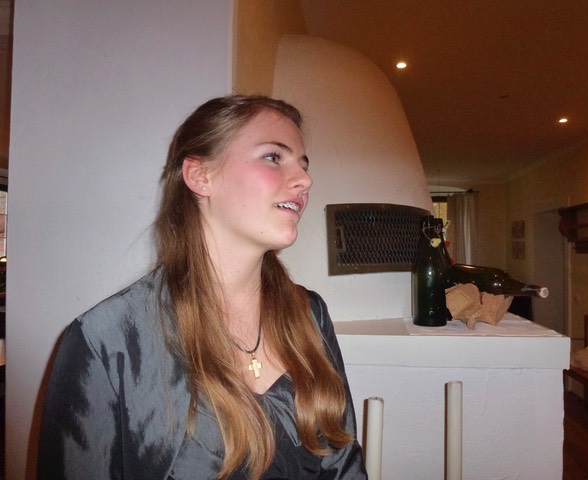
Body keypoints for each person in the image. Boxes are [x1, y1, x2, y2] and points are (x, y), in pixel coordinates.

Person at [37, 95, 368, 480]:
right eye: (274, 157)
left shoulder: (309, 313)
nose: (305, 180)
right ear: (200, 176)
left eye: (304, 165)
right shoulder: (108, 341)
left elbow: (344, 465)